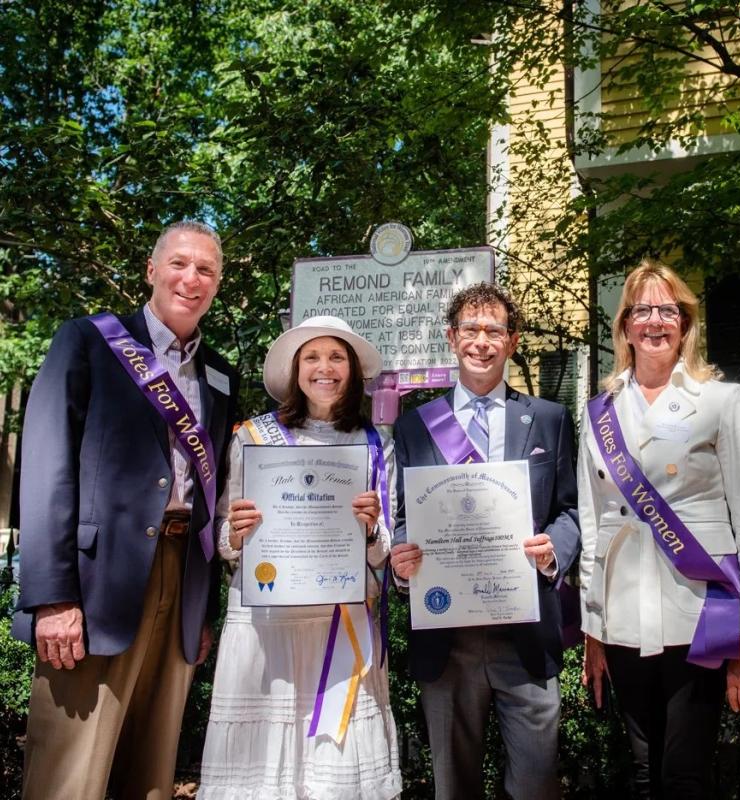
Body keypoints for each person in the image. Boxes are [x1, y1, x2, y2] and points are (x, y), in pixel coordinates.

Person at [12, 220, 240, 799]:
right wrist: (53, 598)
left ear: (217, 285)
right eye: (180, 264)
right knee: (71, 772)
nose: (192, 279)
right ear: (152, 270)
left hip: (180, 576)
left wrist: (201, 608)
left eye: (206, 270)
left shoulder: (220, 373)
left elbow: (212, 503)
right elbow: (46, 469)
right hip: (95, 585)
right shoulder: (88, 342)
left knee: (152, 771)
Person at [578, 258, 740, 798]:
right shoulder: (599, 411)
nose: (655, 321)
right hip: (620, 616)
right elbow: (593, 527)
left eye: (668, 309)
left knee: (684, 775)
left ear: (685, 323)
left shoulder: (720, 400)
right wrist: (592, 628)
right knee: (642, 774)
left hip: (698, 613)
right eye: (642, 310)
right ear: (625, 327)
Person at [390, 283, 581, 800]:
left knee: (537, 785)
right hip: (446, 636)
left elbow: (569, 510)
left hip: (525, 632)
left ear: (512, 340)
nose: (481, 341)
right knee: (455, 787)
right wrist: (402, 561)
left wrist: (554, 551)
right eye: (470, 330)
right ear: (452, 339)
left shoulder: (547, 419)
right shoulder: (414, 426)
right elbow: (403, 516)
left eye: (494, 330)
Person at [199, 316, 402, 800]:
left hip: (341, 624)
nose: (324, 368)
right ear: (295, 370)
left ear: (352, 370)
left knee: (333, 773)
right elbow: (225, 541)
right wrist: (238, 531)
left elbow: (384, 552)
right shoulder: (253, 437)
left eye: (336, 358)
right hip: (266, 624)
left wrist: (372, 529)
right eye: (312, 357)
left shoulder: (376, 443)